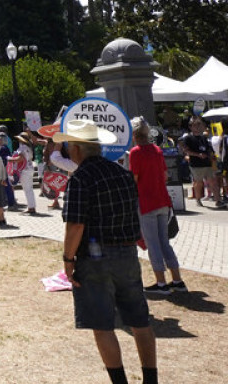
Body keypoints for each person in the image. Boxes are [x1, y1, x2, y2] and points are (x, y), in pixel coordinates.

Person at [59, 119, 158, 384]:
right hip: (127, 253)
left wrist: (68, 259)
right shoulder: (122, 173)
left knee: (102, 324)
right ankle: (151, 379)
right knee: (140, 320)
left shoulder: (80, 178)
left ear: (76, 149)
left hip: (95, 257)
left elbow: (75, 224)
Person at [128, 118, 185, 294]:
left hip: (146, 202)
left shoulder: (135, 153)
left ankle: (161, 283)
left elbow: (134, 179)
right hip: (163, 201)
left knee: (153, 243)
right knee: (164, 242)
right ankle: (177, 280)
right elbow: (165, 175)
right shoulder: (157, 150)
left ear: (134, 134)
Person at [180, 117, 218, 206]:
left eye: (199, 125)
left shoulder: (204, 138)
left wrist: (211, 155)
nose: (197, 127)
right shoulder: (188, 138)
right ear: (191, 127)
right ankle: (198, 199)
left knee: (212, 181)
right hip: (196, 165)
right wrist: (198, 155)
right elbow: (186, 151)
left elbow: (209, 149)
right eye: (195, 125)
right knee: (199, 183)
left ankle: (218, 200)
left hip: (207, 163)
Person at [12, 133, 38, 214]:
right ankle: (32, 206)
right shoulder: (29, 147)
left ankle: (31, 208)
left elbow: (21, 158)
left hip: (24, 169)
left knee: (27, 189)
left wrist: (11, 160)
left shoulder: (22, 147)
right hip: (30, 168)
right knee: (29, 189)